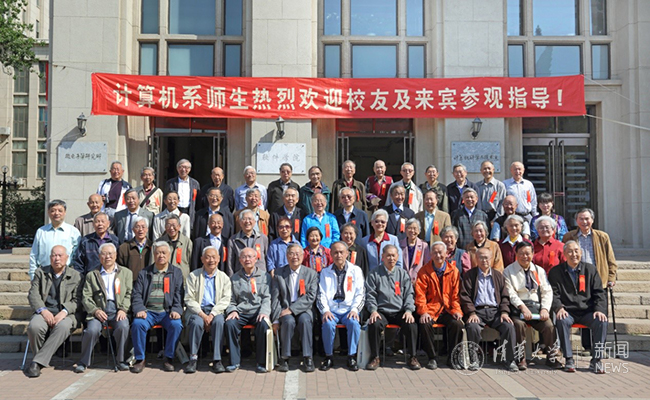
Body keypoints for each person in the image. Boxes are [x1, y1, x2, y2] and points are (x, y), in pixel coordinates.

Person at [548, 241, 608, 374]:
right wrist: (559, 308)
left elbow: (599, 293)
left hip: (588, 312)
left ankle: (596, 360)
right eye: (570, 251)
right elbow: (553, 294)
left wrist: (599, 310)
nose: (573, 254)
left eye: (576, 251)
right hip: (568, 311)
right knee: (561, 320)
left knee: (602, 321)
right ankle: (569, 359)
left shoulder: (590, 270)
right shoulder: (556, 272)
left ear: (581, 253)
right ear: (564, 254)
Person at [24, 246, 82, 378]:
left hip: (67, 314)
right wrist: (43, 311)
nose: (57, 259)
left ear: (67, 258)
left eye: (60, 255)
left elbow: (78, 300)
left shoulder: (76, 276)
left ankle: (37, 363)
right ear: (50, 258)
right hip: (44, 311)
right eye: (54, 255)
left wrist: (64, 311)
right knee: (34, 327)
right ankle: (40, 360)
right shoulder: (40, 273)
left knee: (62, 326)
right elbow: (33, 295)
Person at [503, 241, 561, 370]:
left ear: (533, 254)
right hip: (518, 309)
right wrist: (522, 307)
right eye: (521, 253)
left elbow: (547, 291)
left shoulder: (539, 270)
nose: (525, 257)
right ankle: (521, 358)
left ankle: (551, 358)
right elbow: (510, 293)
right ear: (516, 254)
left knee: (549, 326)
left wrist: (545, 309)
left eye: (528, 253)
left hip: (536, 308)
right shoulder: (508, 271)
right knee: (519, 325)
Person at [75, 243, 132, 373]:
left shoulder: (126, 273)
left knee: (123, 327)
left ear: (115, 255)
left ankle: (121, 360)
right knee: (92, 330)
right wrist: (95, 310)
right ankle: (83, 362)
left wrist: (123, 309)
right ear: (99, 257)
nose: (108, 257)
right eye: (104, 254)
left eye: (110, 254)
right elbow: (86, 297)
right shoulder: (92, 275)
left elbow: (129, 293)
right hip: (98, 310)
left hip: (118, 309)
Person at [460, 247, 518, 372]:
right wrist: (471, 313)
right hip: (477, 311)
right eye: (480, 257)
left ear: (491, 259)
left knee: (508, 326)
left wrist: (504, 312)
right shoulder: (470, 275)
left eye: (486, 257)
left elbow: (505, 296)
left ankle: (509, 360)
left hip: (495, 311)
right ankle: (474, 359)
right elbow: (465, 296)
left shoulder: (498, 276)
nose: (484, 260)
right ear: (476, 259)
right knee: (473, 327)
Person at [130, 242, 184, 373]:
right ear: (153, 255)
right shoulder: (144, 273)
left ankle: (169, 358)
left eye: (164, 253)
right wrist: (139, 309)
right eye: (158, 253)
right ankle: (140, 359)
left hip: (167, 312)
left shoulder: (176, 272)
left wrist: (176, 310)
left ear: (169, 255)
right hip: (148, 311)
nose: (161, 255)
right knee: (137, 324)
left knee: (176, 325)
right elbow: (136, 294)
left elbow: (179, 294)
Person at [365, 245, 420, 370]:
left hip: (400, 311)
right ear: (382, 257)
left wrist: (409, 310)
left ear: (397, 257)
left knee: (411, 324)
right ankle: (375, 357)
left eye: (393, 255)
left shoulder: (402, 274)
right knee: (374, 324)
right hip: (381, 311)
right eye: (388, 255)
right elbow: (370, 294)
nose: (391, 258)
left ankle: (412, 357)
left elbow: (409, 294)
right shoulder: (374, 274)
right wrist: (373, 310)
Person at [415, 241, 464, 370]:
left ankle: (452, 357)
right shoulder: (424, 271)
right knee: (424, 323)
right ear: (430, 254)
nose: (438, 255)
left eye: (440, 252)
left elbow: (455, 295)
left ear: (446, 253)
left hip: (448, 309)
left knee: (457, 324)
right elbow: (420, 295)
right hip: (431, 309)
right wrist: (423, 311)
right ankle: (432, 357)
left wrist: (456, 310)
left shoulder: (454, 271)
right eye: (435, 253)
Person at [317, 241, 364, 372]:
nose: (339, 255)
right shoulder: (325, 272)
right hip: (331, 309)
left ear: (347, 253)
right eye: (335, 252)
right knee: (327, 323)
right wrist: (325, 310)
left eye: (341, 252)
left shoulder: (356, 270)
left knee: (354, 323)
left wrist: (355, 309)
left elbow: (360, 294)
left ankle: (351, 356)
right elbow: (321, 294)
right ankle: (329, 357)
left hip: (349, 308)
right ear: (331, 254)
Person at [271, 243, 319, 373]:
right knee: (288, 321)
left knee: (305, 320)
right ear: (287, 256)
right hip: (285, 308)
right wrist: (275, 319)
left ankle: (308, 357)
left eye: (298, 254)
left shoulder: (311, 273)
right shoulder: (279, 273)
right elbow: (275, 298)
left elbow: (310, 297)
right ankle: (285, 358)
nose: (295, 257)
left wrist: (292, 309)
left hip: (304, 308)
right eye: (291, 254)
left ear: (303, 256)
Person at [184, 246, 232, 374]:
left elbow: (225, 299)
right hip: (197, 310)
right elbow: (189, 298)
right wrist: (203, 315)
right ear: (202, 259)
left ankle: (217, 360)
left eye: (214, 257)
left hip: (216, 310)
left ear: (219, 259)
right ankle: (193, 359)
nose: (211, 260)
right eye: (208, 257)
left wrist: (212, 314)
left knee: (219, 322)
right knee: (196, 323)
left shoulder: (224, 278)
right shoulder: (193, 276)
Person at [224, 247, 272, 373]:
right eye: (244, 257)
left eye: (250, 256)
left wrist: (264, 312)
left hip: (258, 311)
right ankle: (234, 361)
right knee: (230, 324)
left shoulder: (265, 276)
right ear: (240, 260)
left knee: (263, 324)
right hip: (241, 312)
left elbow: (267, 297)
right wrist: (232, 310)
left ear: (256, 259)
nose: (247, 259)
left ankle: (261, 362)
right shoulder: (234, 278)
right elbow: (230, 299)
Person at [563, 208, 617, 289]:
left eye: (587, 219)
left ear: (592, 220)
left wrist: (611, 278)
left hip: (598, 277)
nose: (584, 222)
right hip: (577, 277)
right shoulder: (569, 237)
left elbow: (610, 259)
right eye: (581, 219)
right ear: (576, 221)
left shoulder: (602, 237)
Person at [29, 200, 81, 280]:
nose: (56, 213)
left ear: (65, 212)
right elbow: (34, 255)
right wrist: (33, 275)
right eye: (53, 211)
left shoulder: (73, 231)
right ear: (48, 213)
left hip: (66, 275)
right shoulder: (41, 231)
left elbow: (77, 255)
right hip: (44, 274)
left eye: (60, 211)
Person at [73, 212, 120, 277]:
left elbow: (119, 260)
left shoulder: (114, 240)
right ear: (93, 224)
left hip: (110, 276)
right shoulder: (86, 241)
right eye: (97, 221)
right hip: (91, 277)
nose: (100, 224)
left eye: (103, 221)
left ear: (108, 224)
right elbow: (78, 262)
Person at [227, 209, 268, 276]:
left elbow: (267, 258)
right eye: (244, 219)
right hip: (240, 277)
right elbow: (230, 263)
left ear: (254, 222)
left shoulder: (262, 238)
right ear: (240, 222)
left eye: (250, 219)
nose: (247, 221)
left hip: (260, 277)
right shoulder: (233, 240)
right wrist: (232, 278)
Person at [164, 159, 201, 229]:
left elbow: (198, 201)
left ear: (189, 169)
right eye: (181, 167)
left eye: (186, 167)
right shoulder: (170, 183)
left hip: (189, 211)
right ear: (177, 169)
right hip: (175, 211)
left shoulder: (195, 183)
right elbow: (166, 199)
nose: (183, 170)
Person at [117, 217, 152, 281]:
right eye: (137, 227)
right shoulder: (124, 248)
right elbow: (120, 269)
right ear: (132, 229)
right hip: (131, 283)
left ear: (147, 229)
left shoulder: (153, 247)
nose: (140, 229)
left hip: (148, 283)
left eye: (143, 227)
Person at [158, 214, 193, 278]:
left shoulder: (187, 242)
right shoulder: (159, 243)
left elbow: (191, 263)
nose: (171, 228)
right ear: (165, 227)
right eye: (168, 225)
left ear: (179, 226)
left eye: (174, 225)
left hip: (182, 279)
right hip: (163, 279)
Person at [400, 219, 431, 285]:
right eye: (409, 228)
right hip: (402, 281)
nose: (412, 231)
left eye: (415, 228)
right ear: (405, 230)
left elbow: (427, 265)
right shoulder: (399, 244)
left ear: (419, 231)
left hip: (418, 282)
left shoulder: (424, 245)